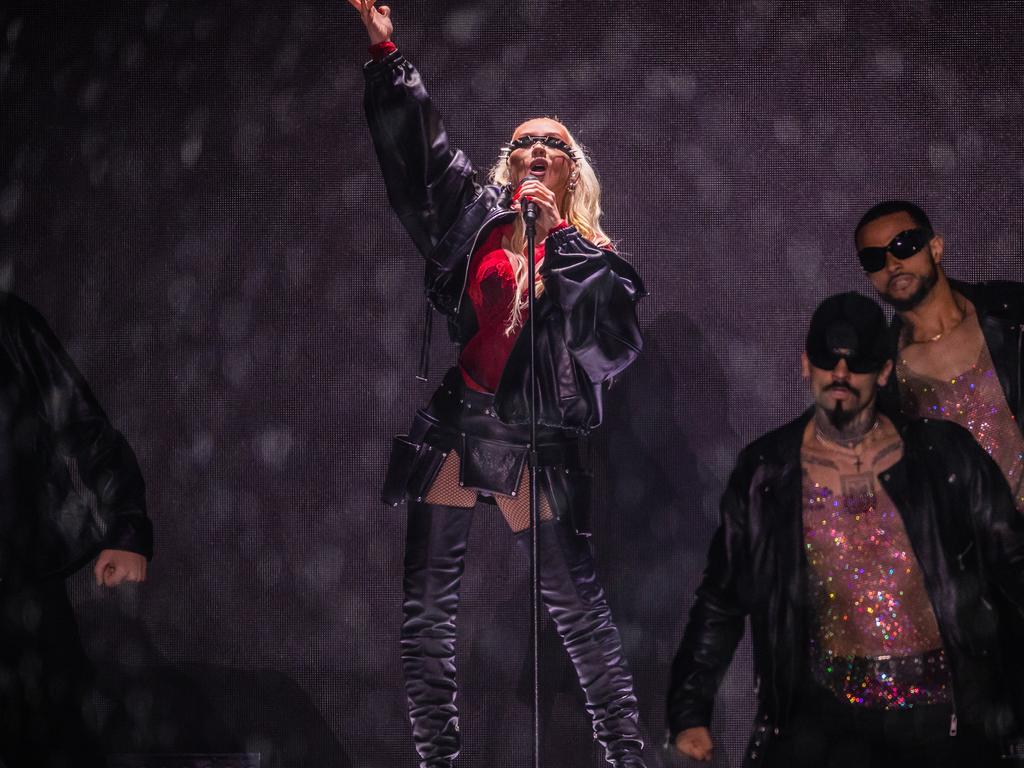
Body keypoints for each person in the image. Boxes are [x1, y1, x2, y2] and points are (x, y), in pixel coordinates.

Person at [350, 2, 647, 766]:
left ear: (571, 168)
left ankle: (627, 758)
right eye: (523, 143)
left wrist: (561, 245)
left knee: (579, 614)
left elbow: (609, 351)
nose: (536, 149)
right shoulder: (475, 223)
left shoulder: (593, 255)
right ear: (509, 163)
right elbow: (421, 154)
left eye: (553, 142)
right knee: (427, 615)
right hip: (458, 419)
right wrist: (388, 54)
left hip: (533, 434)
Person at [667, 292, 1024, 767]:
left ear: (881, 371)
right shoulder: (769, 471)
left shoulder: (945, 458)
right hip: (827, 720)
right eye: (826, 361)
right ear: (805, 365)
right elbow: (723, 596)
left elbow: (1013, 562)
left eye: (855, 364)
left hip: (943, 715)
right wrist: (690, 711)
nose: (839, 376)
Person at [855, 200, 1024, 759]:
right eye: (875, 257)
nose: (892, 264)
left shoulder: (1011, 313)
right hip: (980, 582)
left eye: (903, 245)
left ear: (936, 245)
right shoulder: (882, 375)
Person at [0, 292, 152, 768]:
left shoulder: (8, 322)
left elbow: (83, 423)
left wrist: (127, 527)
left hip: (18, 588)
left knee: (50, 739)